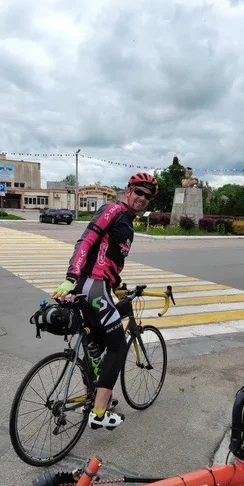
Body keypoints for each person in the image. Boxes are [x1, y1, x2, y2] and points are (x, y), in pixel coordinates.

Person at [51, 172, 158, 430]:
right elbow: (85, 241)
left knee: (97, 342)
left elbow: (109, 258)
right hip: (91, 285)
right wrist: (71, 277)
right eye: (139, 191)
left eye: (148, 195)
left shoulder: (128, 223)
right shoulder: (112, 210)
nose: (142, 198)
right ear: (128, 190)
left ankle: (93, 395)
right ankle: (98, 414)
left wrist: (115, 285)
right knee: (119, 347)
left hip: (99, 287)